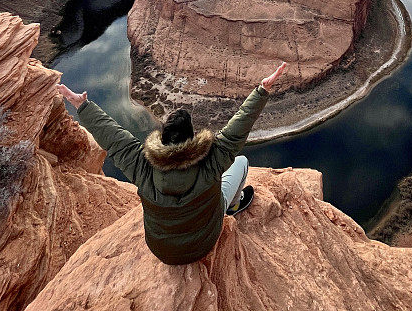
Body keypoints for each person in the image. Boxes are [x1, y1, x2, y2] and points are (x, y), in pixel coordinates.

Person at [57, 61, 287, 265]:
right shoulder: (211, 160)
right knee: (242, 162)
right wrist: (261, 91)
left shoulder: (142, 165)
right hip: (204, 243)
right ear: (193, 138)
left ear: (163, 138)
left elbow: (113, 138)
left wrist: (82, 106)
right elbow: (237, 131)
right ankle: (233, 206)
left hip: (162, 251)